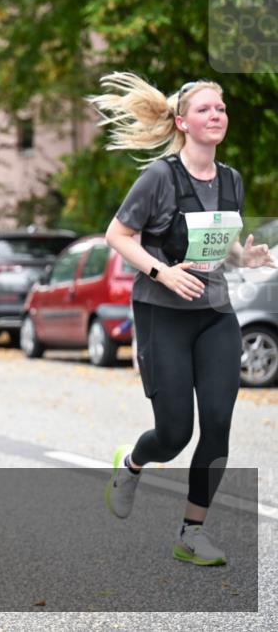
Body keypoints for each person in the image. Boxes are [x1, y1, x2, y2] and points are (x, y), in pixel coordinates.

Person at [92, 73, 275, 566]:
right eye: (205, 110)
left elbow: (217, 246)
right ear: (181, 122)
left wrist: (245, 258)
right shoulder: (160, 177)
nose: (216, 116)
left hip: (215, 313)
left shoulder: (232, 179)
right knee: (174, 433)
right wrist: (162, 273)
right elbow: (117, 235)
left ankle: (192, 532)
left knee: (217, 426)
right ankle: (131, 465)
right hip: (162, 313)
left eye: (221, 109)